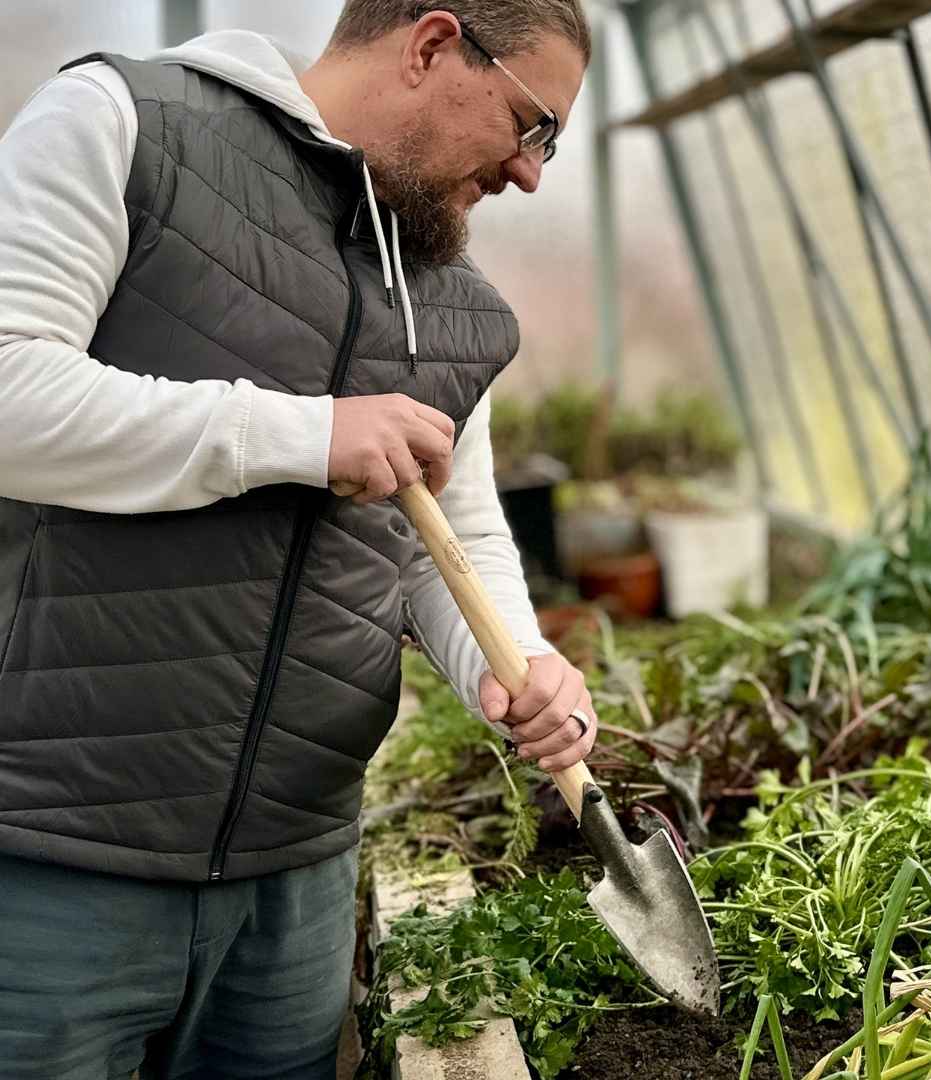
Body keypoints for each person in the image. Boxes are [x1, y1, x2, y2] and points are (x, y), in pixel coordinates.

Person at [0, 3, 601, 1075]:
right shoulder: (124, 123)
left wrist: (516, 662)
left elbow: (449, 532)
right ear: (431, 45)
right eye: (533, 125)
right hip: (52, 859)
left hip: (297, 882)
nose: (529, 173)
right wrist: (300, 435)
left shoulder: (455, 305)